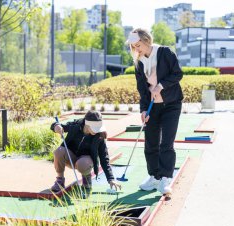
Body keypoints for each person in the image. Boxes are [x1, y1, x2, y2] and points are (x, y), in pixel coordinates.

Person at [126, 28, 184, 195]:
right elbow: (142, 90)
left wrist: (161, 85)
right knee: (150, 143)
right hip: (153, 106)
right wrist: (143, 110)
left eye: (138, 45)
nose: (137, 49)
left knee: (166, 143)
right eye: (133, 46)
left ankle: (165, 179)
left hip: (171, 104)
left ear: (146, 40)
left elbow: (177, 74)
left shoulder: (165, 52)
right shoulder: (138, 62)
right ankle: (154, 176)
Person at [50, 110, 121, 193]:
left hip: (86, 162)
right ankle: (60, 181)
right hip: (71, 157)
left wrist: (111, 179)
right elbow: (56, 126)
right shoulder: (76, 125)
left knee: (82, 164)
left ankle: (87, 178)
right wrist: (56, 126)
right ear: (87, 124)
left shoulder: (100, 136)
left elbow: (104, 158)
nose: (97, 130)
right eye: (95, 128)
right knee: (59, 151)